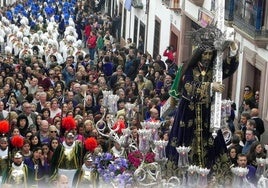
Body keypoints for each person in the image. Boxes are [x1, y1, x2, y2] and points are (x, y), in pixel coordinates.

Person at [166, 25, 239, 185]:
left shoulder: (214, 69)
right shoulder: (189, 69)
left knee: (213, 147)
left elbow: (227, 67)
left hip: (207, 115)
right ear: (199, 55)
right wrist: (210, 87)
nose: (207, 57)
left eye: (210, 54)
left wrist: (233, 48)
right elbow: (189, 88)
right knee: (184, 150)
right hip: (188, 115)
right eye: (204, 53)